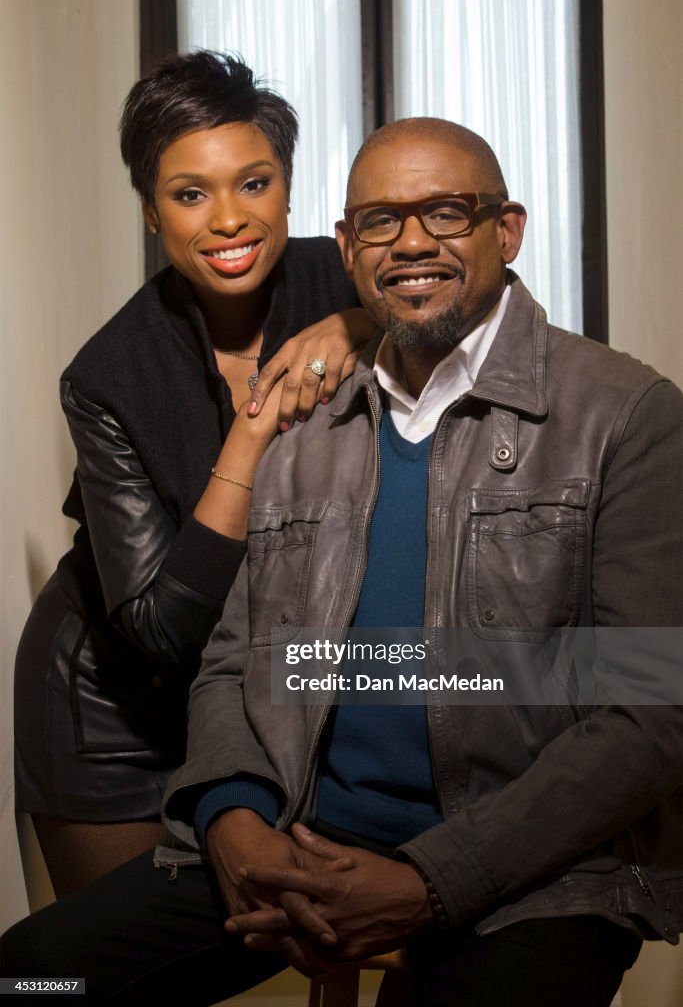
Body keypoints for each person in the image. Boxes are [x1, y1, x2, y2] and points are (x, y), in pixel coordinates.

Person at [2, 117, 681, 1006]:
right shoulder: (306, 417)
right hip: (294, 833)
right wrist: (233, 823)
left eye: (444, 212)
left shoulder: (625, 414)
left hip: (533, 878)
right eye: (378, 222)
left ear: (505, 230)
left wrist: (429, 882)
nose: (410, 243)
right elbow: (239, 659)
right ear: (346, 248)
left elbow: (649, 711)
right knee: (31, 981)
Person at [12, 49, 371, 899]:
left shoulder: (346, 277)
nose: (228, 221)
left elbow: (488, 300)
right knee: (88, 973)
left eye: (253, 184)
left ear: (287, 185)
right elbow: (160, 625)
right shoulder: (107, 376)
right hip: (113, 711)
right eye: (189, 193)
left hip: (260, 688)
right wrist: (248, 437)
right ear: (150, 211)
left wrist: (361, 324)